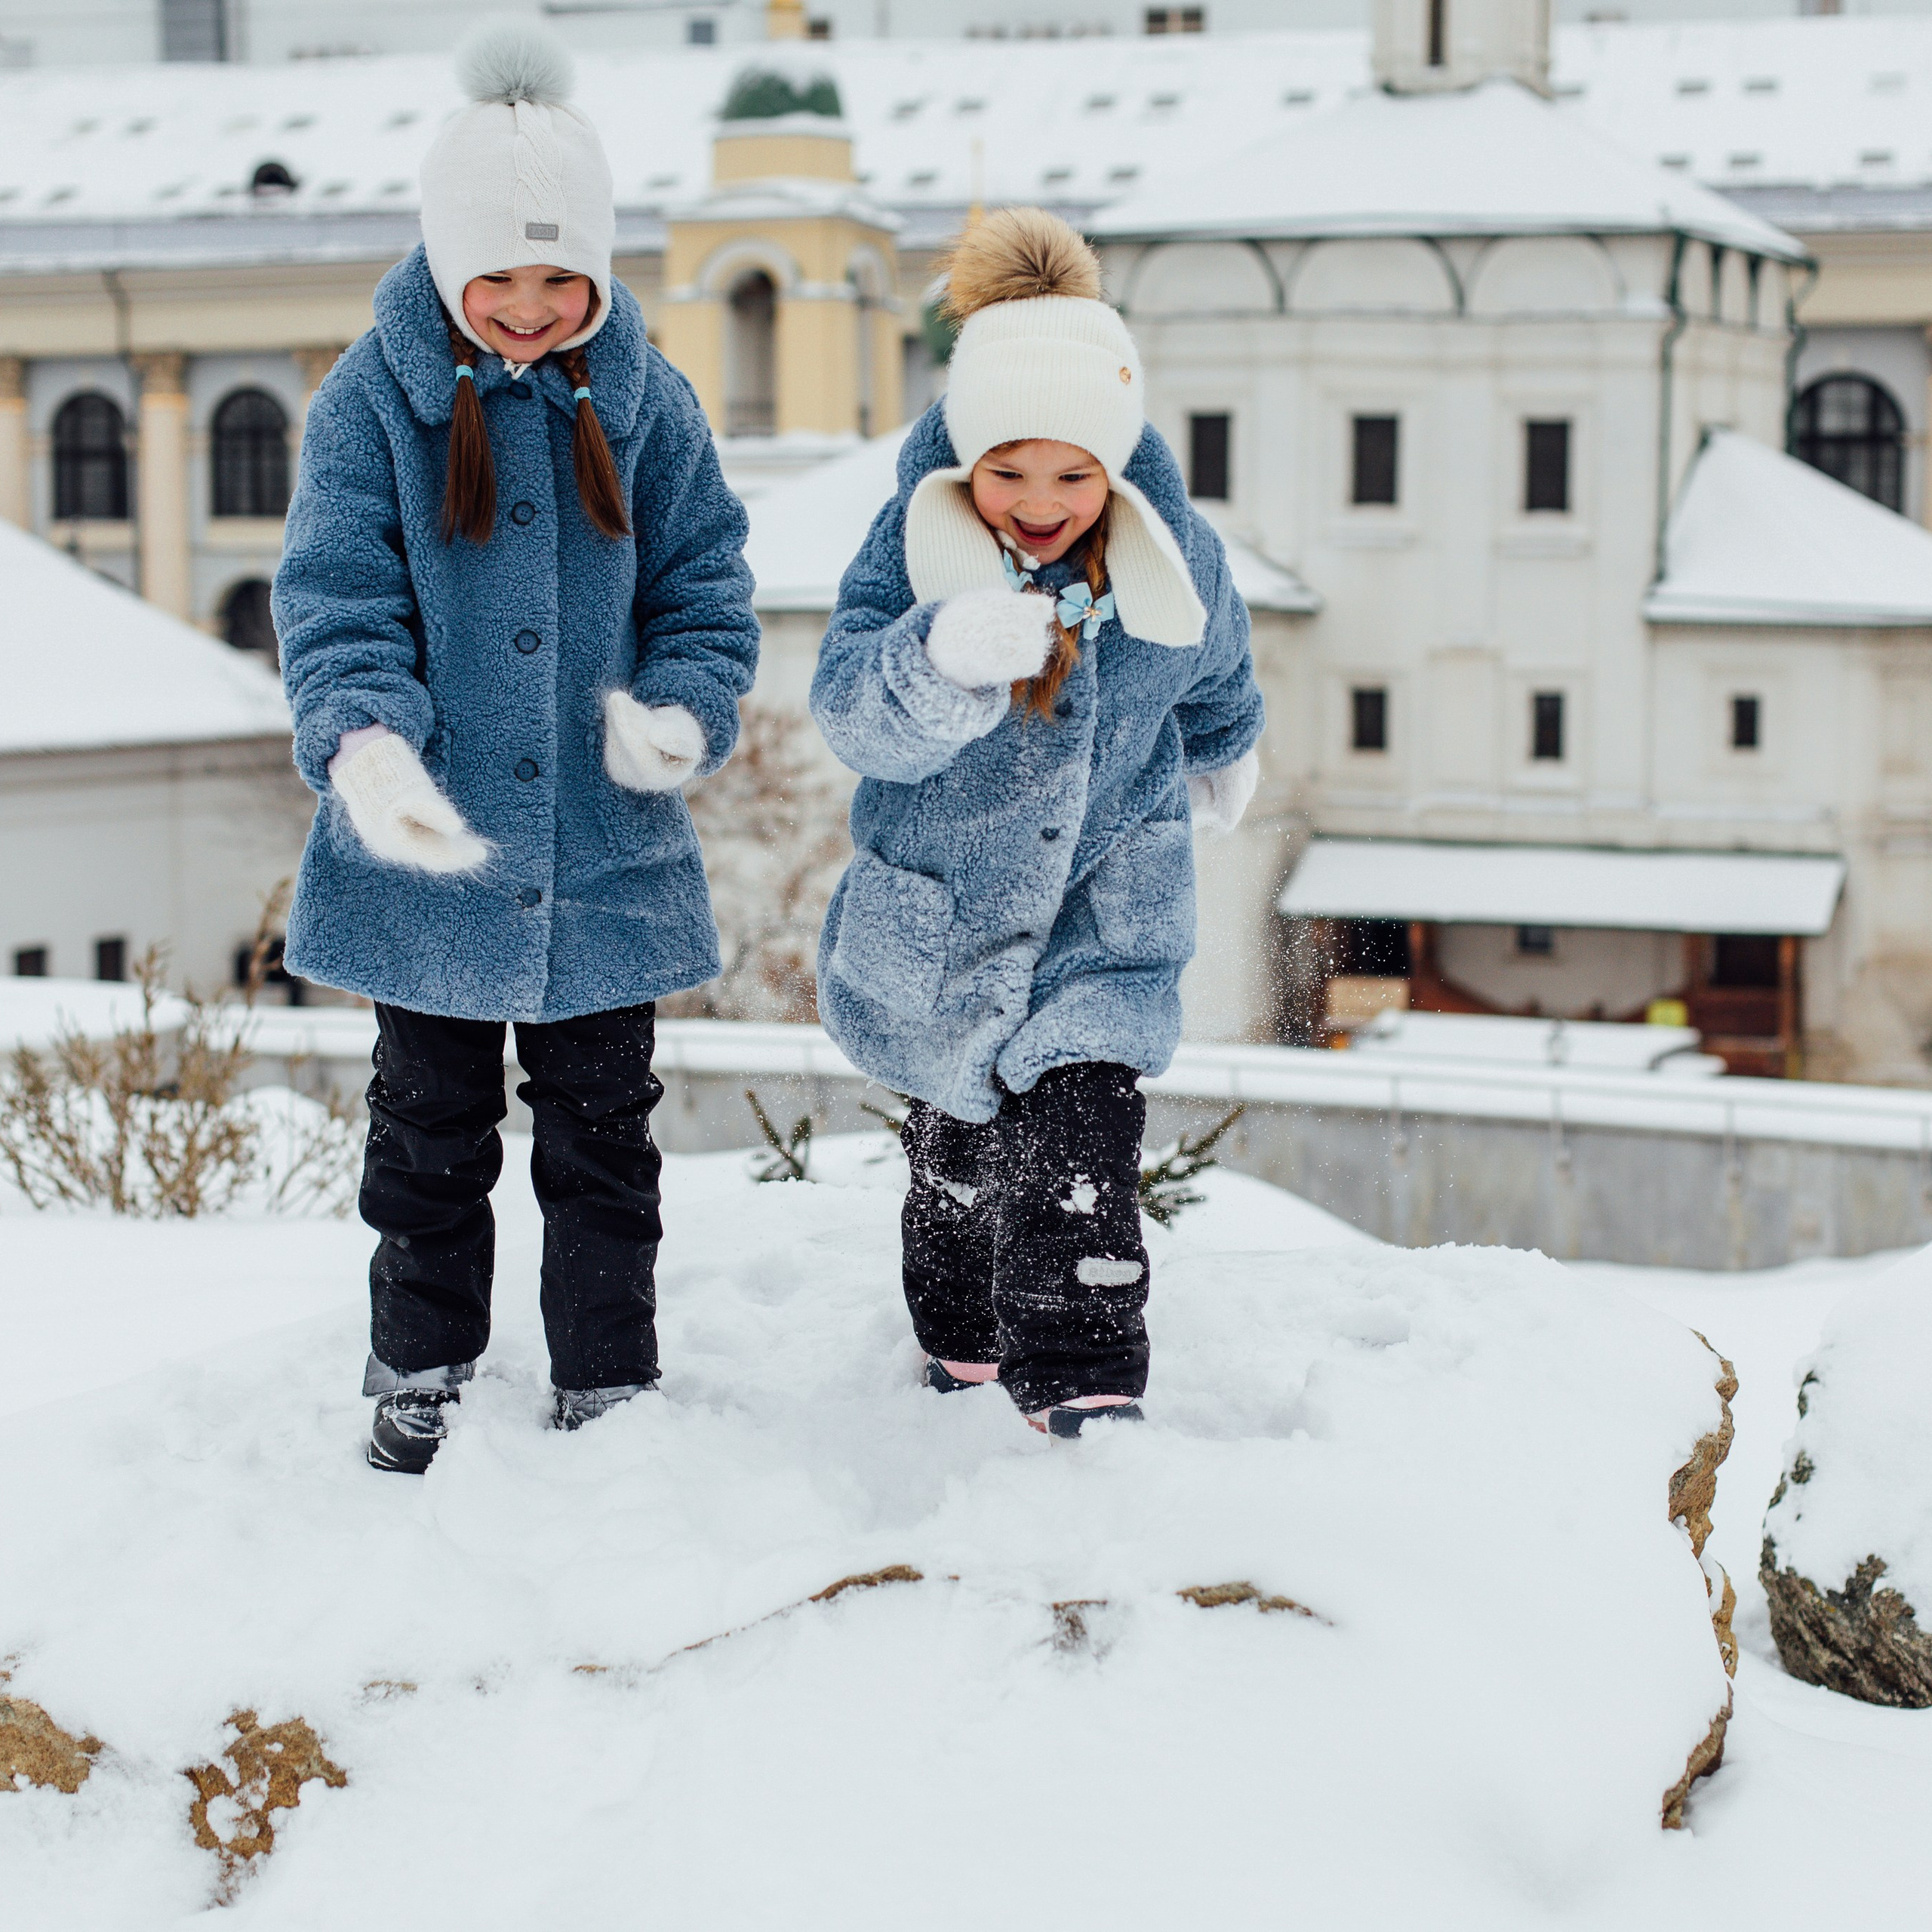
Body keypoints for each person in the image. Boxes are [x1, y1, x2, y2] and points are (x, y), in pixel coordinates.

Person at [272, 23, 759, 1473]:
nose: (533, 306)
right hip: (432, 852)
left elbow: (706, 586)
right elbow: (338, 596)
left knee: (605, 1136)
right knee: (427, 1135)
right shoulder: (371, 402)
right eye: (501, 276)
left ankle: (608, 1371)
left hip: (604, 852)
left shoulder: (651, 404)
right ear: (443, 264)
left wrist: (684, 709)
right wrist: (368, 747)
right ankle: (419, 1359)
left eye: (563, 277)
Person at [811, 208, 1263, 1438]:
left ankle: (1084, 1373)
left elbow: (1217, 662)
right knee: (954, 1164)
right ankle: (958, 1339)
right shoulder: (912, 548)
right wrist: (937, 660)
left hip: (1105, 913)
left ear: (1114, 468)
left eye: (1074, 475)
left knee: (1080, 1143)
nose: (1041, 501)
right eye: (1008, 473)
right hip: (944, 922)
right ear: (965, 459)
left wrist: (1226, 747)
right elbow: (849, 708)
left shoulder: (1179, 557)